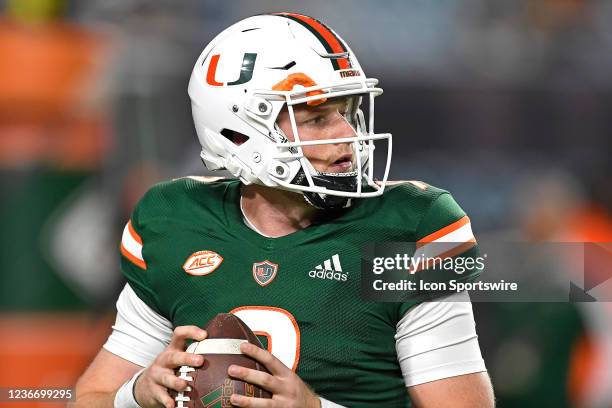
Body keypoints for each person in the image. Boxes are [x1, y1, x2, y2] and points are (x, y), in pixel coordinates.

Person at [73, 12, 494, 408]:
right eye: (316, 118)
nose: (347, 135)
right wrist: (135, 393)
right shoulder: (175, 221)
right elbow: (89, 397)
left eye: (347, 112)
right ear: (239, 133)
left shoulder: (411, 226)